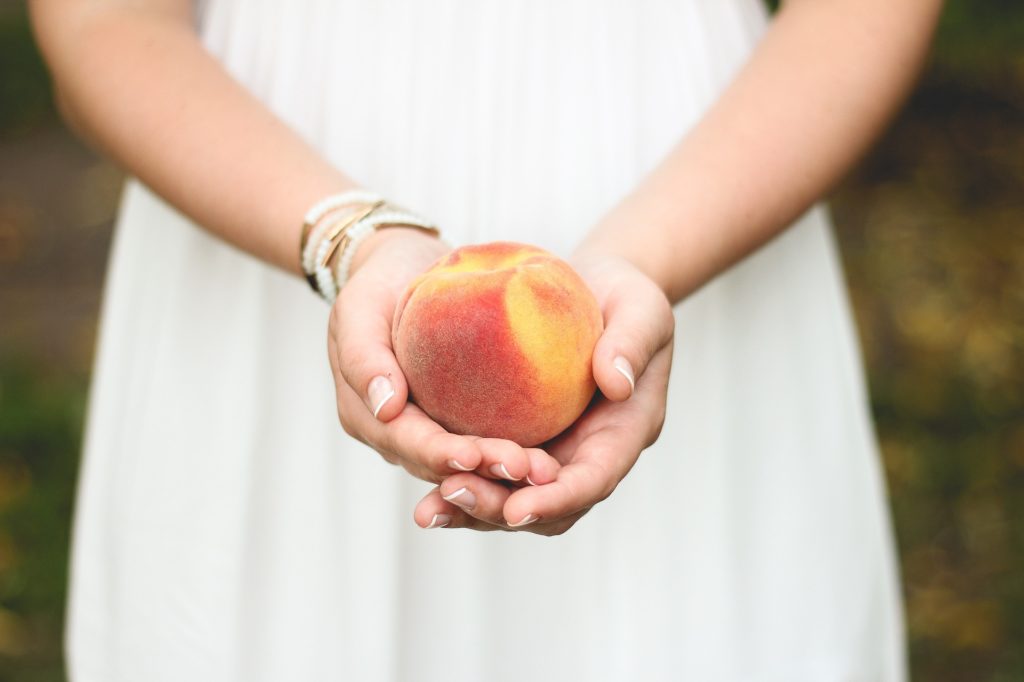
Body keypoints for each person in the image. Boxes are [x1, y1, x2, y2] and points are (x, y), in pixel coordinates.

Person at [32, 0, 941, 679]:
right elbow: (102, 22)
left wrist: (644, 258)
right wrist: (349, 237)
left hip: (709, 174)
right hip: (252, 177)